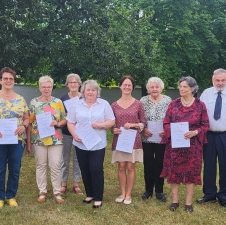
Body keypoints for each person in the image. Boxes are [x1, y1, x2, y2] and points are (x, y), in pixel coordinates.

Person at [0, 67, 30, 209]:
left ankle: (11, 196)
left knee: (15, 168)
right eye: (5, 78)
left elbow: (27, 118)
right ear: (0, 80)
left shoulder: (20, 100)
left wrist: (24, 126)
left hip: (16, 139)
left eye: (11, 79)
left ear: (14, 81)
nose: (8, 81)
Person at [160, 76, 209, 213]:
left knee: (191, 174)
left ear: (192, 89)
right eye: (180, 86)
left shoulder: (200, 105)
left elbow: (205, 125)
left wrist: (195, 132)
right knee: (174, 173)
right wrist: (172, 131)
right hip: (175, 146)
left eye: (185, 87)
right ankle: (175, 201)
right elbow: (166, 122)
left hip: (193, 147)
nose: (181, 89)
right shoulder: (173, 104)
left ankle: (188, 203)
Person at [67, 80, 115, 208]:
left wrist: (101, 125)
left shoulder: (104, 104)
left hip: (97, 143)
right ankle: (90, 194)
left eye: (93, 90)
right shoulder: (76, 105)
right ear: (83, 91)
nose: (90, 92)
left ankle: (98, 197)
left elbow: (111, 121)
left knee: (96, 168)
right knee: (85, 168)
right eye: (88, 90)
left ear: (97, 92)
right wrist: (74, 134)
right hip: (81, 143)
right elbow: (70, 122)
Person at [197, 69, 226, 208]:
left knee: (225, 166)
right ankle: (209, 194)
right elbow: (199, 113)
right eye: (217, 80)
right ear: (212, 80)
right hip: (208, 134)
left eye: (223, 80)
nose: (220, 83)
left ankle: (223, 195)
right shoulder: (206, 94)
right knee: (208, 164)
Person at [27, 75, 66, 204]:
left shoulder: (58, 102)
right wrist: (28, 141)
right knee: (41, 165)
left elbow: (65, 119)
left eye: (48, 86)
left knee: (55, 165)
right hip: (39, 139)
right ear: (39, 87)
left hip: (55, 139)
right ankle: (42, 191)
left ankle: (57, 191)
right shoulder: (33, 103)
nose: (46, 89)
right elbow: (29, 121)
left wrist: (58, 123)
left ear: (52, 87)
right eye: (43, 86)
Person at [111, 76, 147, 205]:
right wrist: (113, 129)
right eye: (124, 85)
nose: (127, 87)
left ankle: (129, 194)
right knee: (121, 167)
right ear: (120, 86)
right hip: (119, 140)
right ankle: (122, 192)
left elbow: (143, 123)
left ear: (133, 87)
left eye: (129, 85)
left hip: (133, 140)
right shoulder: (114, 105)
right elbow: (112, 124)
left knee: (131, 167)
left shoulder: (138, 104)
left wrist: (133, 125)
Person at [140, 77, 172, 202]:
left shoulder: (168, 100)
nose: (154, 89)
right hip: (146, 138)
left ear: (161, 88)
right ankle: (148, 190)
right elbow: (139, 118)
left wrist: (167, 130)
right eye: (152, 87)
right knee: (148, 165)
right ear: (148, 89)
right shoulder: (142, 101)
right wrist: (143, 130)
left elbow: (172, 118)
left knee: (160, 165)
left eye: (157, 87)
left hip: (161, 139)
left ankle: (159, 191)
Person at [59, 73, 83, 194]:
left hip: (80, 133)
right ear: (67, 84)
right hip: (66, 133)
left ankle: (76, 183)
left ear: (79, 84)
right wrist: (66, 117)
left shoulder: (84, 98)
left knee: (78, 158)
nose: (73, 84)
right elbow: (59, 116)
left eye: (75, 82)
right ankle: (63, 183)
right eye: (70, 82)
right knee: (65, 158)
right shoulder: (62, 98)